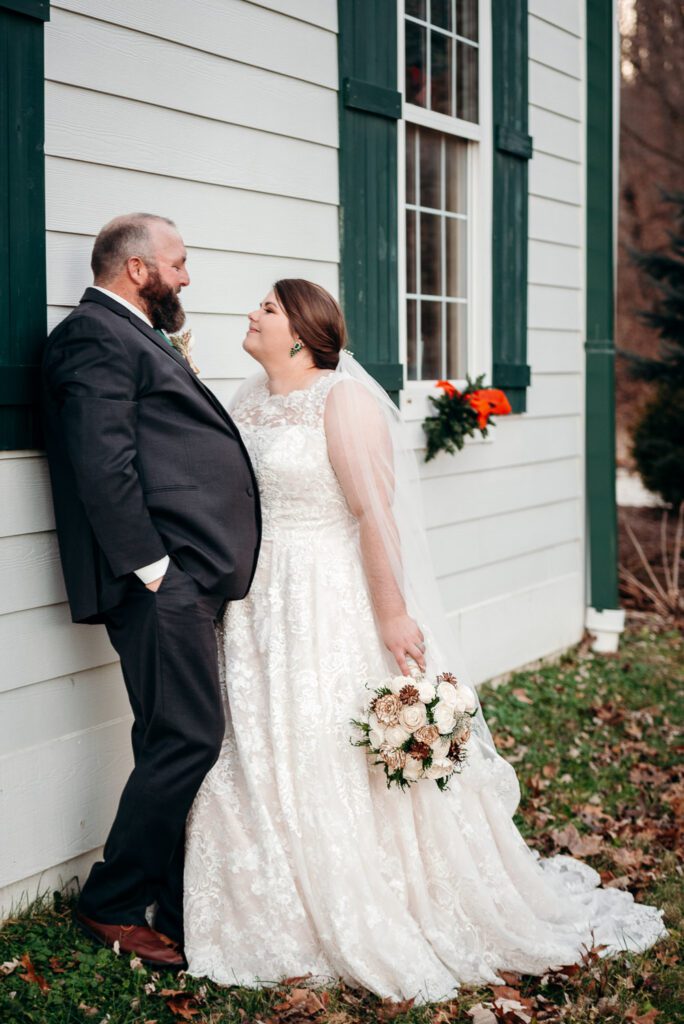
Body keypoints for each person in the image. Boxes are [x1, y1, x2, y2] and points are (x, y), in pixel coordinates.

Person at [183, 279, 666, 1002]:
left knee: (330, 740)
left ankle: (373, 897)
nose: (251, 312)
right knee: (258, 742)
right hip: (259, 600)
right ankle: (270, 904)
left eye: (269, 308)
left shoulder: (341, 401)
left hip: (328, 592)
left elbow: (375, 516)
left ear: (302, 333)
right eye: (257, 304)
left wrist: (391, 614)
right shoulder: (245, 400)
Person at [41, 214, 261, 969]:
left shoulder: (128, 333)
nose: (187, 276)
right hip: (158, 582)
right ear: (139, 269)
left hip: (179, 577)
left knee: (167, 733)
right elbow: (102, 461)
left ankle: (169, 891)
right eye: (179, 262)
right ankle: (110, 901)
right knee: (189, 737)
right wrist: (154, 567)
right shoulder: (94, 337)